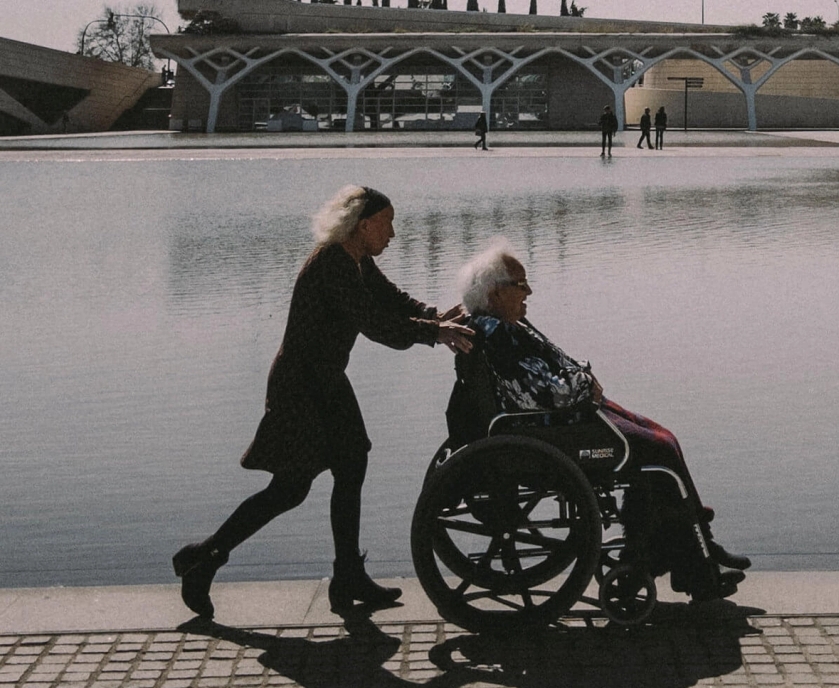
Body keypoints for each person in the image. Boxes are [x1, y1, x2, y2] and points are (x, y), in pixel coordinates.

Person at [172, 186, 478, 619]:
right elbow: (374, 324)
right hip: (301, 387)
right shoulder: (333, 263)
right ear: (364, 224)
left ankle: (347, 575)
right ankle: (204, 558)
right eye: (387, 225)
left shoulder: (356, 259)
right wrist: (434, 332)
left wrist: (438, 317)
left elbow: (392, 302)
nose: (392, 234)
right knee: (290, 489)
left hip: (326, 381)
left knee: (351, 464)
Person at [451, 240, 750, 601]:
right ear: (496, 293)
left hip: (554, 423)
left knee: (661, 439)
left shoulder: (498, 326)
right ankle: (691, 560)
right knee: (657, 451)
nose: (529, 291)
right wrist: (584, 382)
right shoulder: (498, 334)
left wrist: (581, 382)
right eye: (520, 284)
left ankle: (691, 548)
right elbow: (546, 395)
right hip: (554, 432)